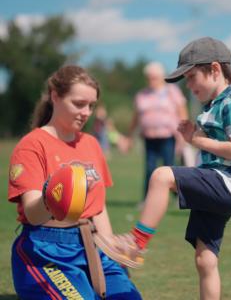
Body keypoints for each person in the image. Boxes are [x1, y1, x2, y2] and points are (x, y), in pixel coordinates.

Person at [105, 37, 231, 299]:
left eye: (191, 77)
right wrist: (195, 134)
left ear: (214, 69)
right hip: (218, 184)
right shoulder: (210, 105)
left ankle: (136, 244)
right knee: (205, 260)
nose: (188, 86)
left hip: (227, 183)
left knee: (161, 175)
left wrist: (197, 139)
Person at [8, 65, 142, 299]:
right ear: (55, 96)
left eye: (91, 105)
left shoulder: (91, 143)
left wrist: (111, 245)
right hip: (45, 249)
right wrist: (57, 193)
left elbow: (98, 207)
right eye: (79, 104)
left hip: (92, 245)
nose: (86, 112)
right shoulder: (31, 145)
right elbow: (34, 214)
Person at [127, 61, 188, 203]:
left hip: (168, 136)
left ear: (161, 77)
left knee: (169, 167)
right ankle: (148, 199)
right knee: (149, 169)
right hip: (149, 137)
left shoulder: (172, 91)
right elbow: (136, 117)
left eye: (154, 77)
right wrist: (129, 135)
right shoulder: (142, 94)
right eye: (149, 77)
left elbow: (182, 112)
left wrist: (184, 134)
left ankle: (172, 196)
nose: (151, 80)